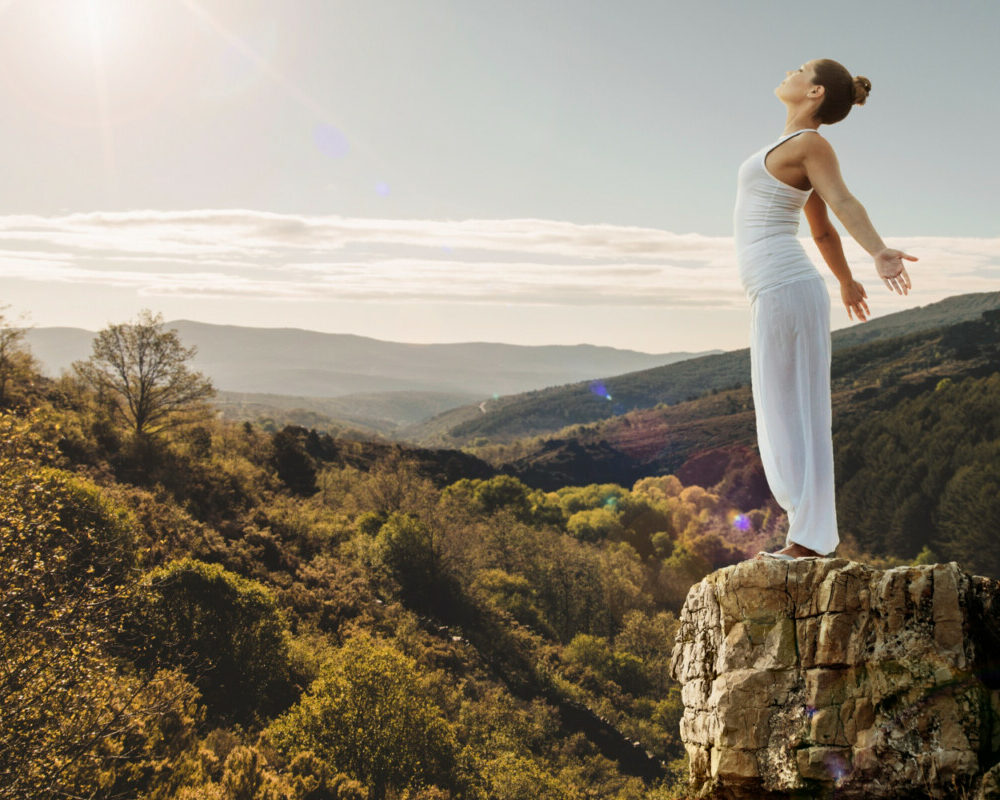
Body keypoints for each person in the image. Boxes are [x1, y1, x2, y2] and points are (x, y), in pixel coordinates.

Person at [733, 58, 916, 560]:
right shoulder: (787, 148)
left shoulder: (812, 144)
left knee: (796, 408)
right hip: (773, 288)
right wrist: (845, 279)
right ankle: (805, 534)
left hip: (785, 284)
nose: (786, 72)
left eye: (799, 69)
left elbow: (843, 202)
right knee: (777, 405)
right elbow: (819, 228)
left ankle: (809, 541)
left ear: (814, 92)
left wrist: (877, 251)